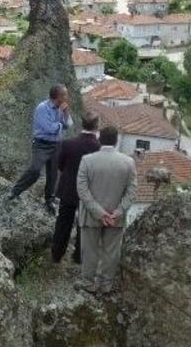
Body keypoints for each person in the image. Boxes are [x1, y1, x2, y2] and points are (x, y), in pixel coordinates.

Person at [76, 126, 136, 294]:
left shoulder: (87, 160)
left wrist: (98, 212)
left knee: (90, 251)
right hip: (116, 217)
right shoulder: (128, 162)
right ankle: (106, 284)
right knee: (111, 252)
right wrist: (117, 212)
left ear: (100, 139)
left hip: (90, 215)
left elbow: (82, 189)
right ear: (116, 141)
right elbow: (131, 192)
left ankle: (88, 282)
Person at [8, 84, 74, 214]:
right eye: (65, 94)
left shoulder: (62, 108)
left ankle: (49, 200)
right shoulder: (42, 108)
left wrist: (65, 113)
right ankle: (15, 190)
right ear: (58, 96)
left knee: (53, 174)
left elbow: (69, 124)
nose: (67, 97)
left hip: (56, 145)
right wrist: (61, 124)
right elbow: (49, 128)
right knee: (35, 170)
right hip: (42, 144)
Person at [51, 112, 101, 264]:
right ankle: (79, 256)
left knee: (63, 222)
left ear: (82, 124)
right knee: (84, 223)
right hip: (89, 191)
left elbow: (60, 164)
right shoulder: (98, 148)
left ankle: (57, 254)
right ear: (97, 126)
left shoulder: (68, 144)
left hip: (68, 188)